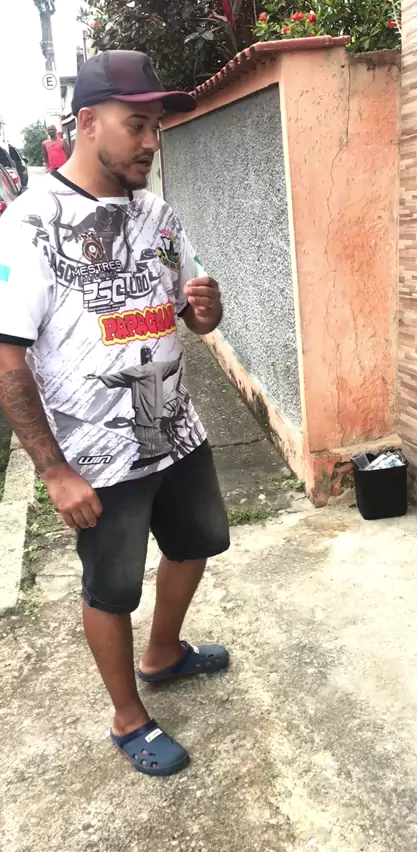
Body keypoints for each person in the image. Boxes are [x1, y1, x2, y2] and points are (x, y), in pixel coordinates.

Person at [0, 50, 230, 778]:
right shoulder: (30, 224)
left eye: (156, 127)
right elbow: (7, 359)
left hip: (175, 428)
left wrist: (206, 311)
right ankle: (128, 717)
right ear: (88, 121)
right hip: (96, 453)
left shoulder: (159, 214)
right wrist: (54, 471)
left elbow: (192, 314)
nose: (151, 142)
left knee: (198, 542)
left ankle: (162, 655)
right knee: (113, 586)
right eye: (138, 125)